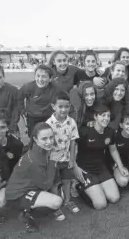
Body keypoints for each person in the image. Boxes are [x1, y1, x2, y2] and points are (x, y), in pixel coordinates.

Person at [5, 123, 63, 234]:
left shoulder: (40, 149)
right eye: (44, 138)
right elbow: (45, 185)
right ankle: (25, 214)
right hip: (17, 195)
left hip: (30, 187)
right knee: (56, 202)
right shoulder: (33, 160)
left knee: (56, 197)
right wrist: (53, 162)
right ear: (35, 139)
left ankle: (31, 207)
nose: (49, 141)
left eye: (51, 137)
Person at [74, 105, 124, 210]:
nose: (106, 118)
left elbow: (113, 150)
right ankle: (80, 187)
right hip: (85, 170)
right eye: (103, 115)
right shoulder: (84, 132)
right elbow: (73, 149)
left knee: (115, 198)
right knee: (101, 205)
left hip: (100, 168)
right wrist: (75, 166)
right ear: (95, 117)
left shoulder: (109, 132)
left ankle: (97, 186)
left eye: (108, 116)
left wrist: (121, 166)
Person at [46, 91, 80, 221]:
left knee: (67, 181)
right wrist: (48, 164)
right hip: (53, 161)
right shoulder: (48, 124)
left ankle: (67, 201)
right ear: (53, 106)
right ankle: (56, 207)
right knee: (54, 184)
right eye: (60, 106)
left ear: (70, 106)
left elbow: (72, 143)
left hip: (66, 159)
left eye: (66, 106)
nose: (64, 109)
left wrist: (72, 160)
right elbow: (46, 147)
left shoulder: (71, 122)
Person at [106, 115, 129, 196]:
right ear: (121, 125)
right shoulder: (115, 136)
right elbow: (110, 154)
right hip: (120, 164)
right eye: (127, 124)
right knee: (123, 182)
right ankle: (119, 177)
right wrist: (118, 166)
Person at [18, 65, 59, 136]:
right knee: (33, 138)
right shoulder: (28, 87)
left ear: (50, 78)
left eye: (44, 76)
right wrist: (23, 112)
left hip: (49, 117)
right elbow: (18, 98)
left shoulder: (55, 87)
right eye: (38, 76)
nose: (40, 79)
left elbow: (63, 98)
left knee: (49, 137)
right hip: (32, 118)